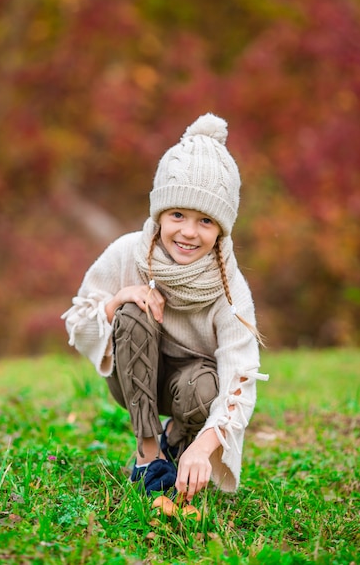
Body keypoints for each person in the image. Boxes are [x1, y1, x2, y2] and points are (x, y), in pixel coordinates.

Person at [62, 113, 268, 502]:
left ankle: (179, 439)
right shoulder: (129, 253)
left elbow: (241, 375)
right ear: (159, 215)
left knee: (207, 385)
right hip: (135, 377)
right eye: (177, 215)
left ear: (221, 229)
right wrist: (118, 300)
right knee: (134, 311)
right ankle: (148, 453)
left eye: (205, 220)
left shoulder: (229, 286)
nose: (189, 232)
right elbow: (77, 319)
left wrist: (205, 446)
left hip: (191, 387)